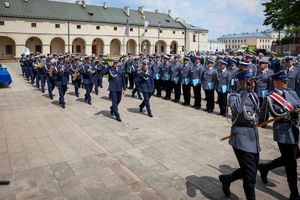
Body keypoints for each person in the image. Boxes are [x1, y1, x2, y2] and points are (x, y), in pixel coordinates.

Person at [219, 68, 260, 200]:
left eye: (253, 81)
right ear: (241, 82)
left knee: (250, 169)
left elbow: (256, 114)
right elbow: (237, 109)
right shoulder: (234, 95)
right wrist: (244, 92)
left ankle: (227, 179)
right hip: (241, 139)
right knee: (250, 176)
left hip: (253, 138)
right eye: (249, 82)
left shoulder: (254, 96)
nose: (253, 84)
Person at [258, 70, 300, 200]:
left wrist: (296, 111)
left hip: (294, 130)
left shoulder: (291, 92)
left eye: (286, 80)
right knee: (291, 163)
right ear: (276, 82)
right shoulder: (270, 97)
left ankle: (265, 167)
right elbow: (266, 116)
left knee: (294, 155)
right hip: (282, 132)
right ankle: (294, 193)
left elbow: (298, 105)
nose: (286, 83)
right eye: (283, 81)